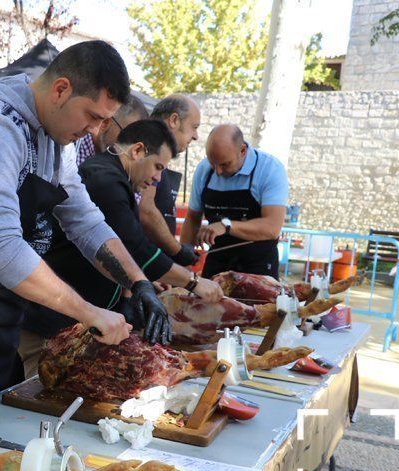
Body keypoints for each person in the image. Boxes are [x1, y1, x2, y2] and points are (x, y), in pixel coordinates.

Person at [0, 40, 171, 420]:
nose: (95, 131)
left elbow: (84, 219)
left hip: (3, 317)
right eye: (93, 116)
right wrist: (88, 312)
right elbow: (1, 246)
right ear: (61, 89)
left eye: (104, 121)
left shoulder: (58, 141)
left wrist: (139, 282)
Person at [20, 120, 224, 377]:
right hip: (49, 320)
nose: (158, 178)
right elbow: (134, 245)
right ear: (137, 151)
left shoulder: (112, 176)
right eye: (158, 167)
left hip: (74, 318)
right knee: (39, 393)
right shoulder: (104, 180)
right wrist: (192, 282)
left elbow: (121, 250)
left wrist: (134, 288)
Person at [181, 124, 289, 278]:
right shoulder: (204, 169)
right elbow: (192, 218)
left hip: (257, 267)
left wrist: (226, 225)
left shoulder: (270, 169)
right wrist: (184, 261)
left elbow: (272, 227)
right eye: (213, 163)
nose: (218, 171)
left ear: (243, 151)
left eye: (225, 164)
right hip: (217, 264)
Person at [141, 94, 203, 267]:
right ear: (174, 120)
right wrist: (178, 251)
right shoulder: (147, 150)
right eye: (194, 127)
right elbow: (145, 210)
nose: (196, 136)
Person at [72, 94, 148, 166]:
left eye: (134, 142)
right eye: (127, 135)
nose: (128, 146)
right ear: (105, 123)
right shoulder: (71, 143)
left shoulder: (110, 164)